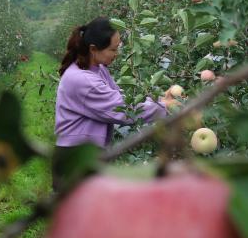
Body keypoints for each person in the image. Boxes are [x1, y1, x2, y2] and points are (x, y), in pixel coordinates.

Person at [54, 17, 170, 189]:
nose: (117, 54)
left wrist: (160, 99)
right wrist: (167, 107)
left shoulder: (98, 70)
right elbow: (125, 110)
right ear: (93, 49)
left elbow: (122, 98)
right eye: (113, 49)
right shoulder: (82, 80)